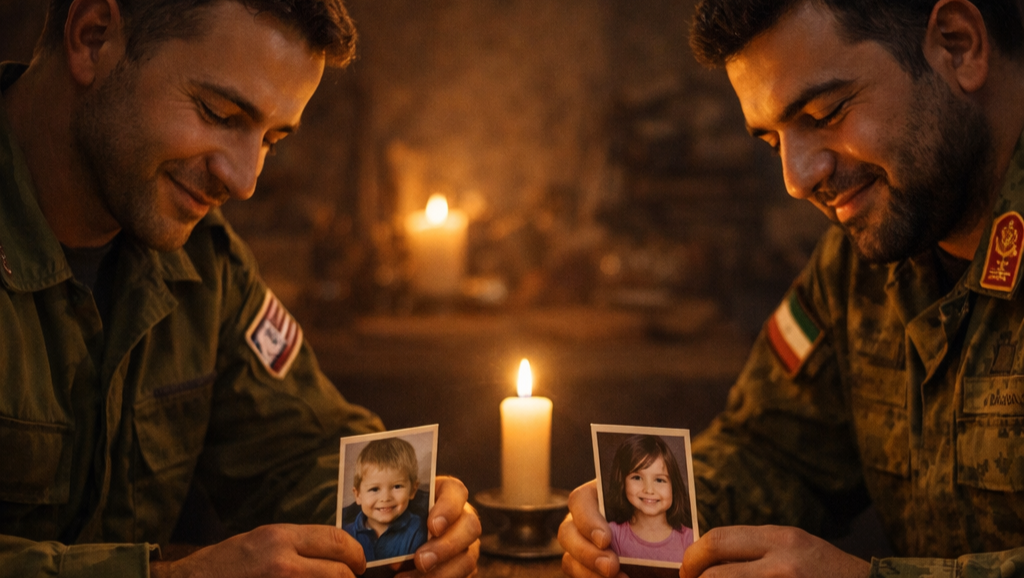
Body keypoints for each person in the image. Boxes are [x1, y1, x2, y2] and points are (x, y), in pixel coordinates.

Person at [0, 0, 480, 577]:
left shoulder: (206, 263)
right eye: (219, 113)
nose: (246, 179)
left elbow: (301, 453)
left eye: (272, 140)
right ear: (93, 37)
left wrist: (411, 517)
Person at [557, 0, 1024, 577]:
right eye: (773, 142)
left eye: (826, 113)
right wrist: (649, 515)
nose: (798, 180)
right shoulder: (865, 259)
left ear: (959, 45)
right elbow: (773, 452)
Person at [603, 436, 693, 563]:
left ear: (674, 487)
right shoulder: (612, 535)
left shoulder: (690, 539)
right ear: (622, 481)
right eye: (637, 478)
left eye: (659, 480)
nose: (649, 490)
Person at [343, 438, 429, 563]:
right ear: (358, 495)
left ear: (412, 490)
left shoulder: (419, 531)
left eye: (397, 486)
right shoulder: (345, 534)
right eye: (374, 489)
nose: (385, 498)